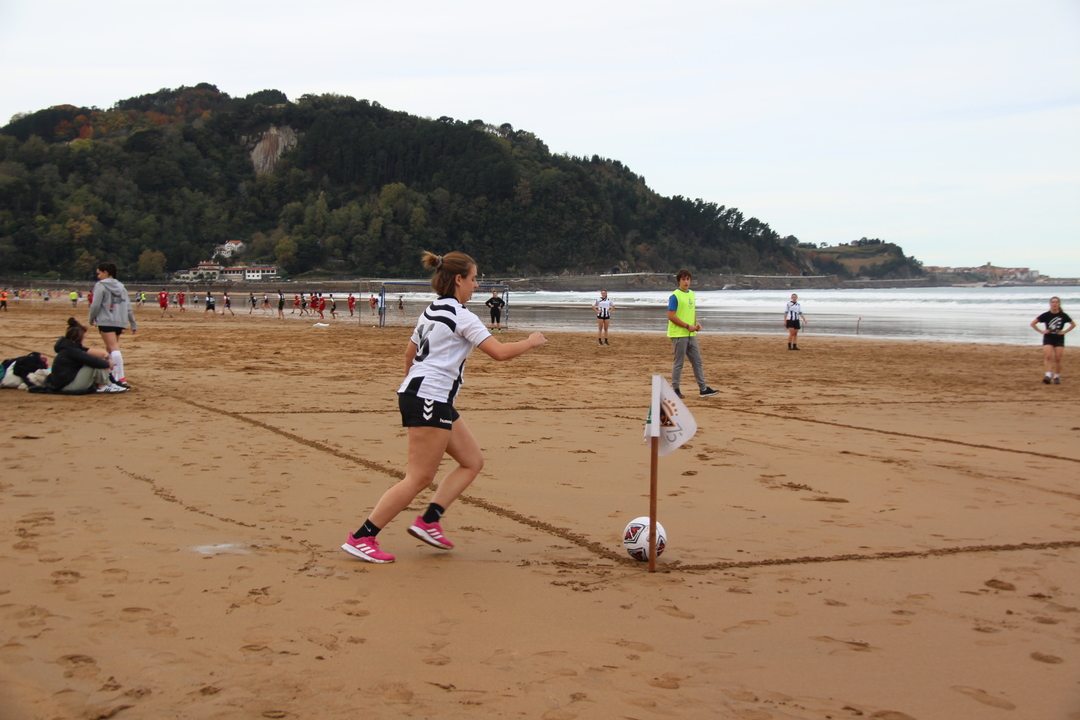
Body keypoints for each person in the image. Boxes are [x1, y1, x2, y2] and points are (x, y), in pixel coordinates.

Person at [342, 251, 548, 564]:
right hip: (429, 397)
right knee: (419, 478)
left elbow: (409, 354)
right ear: (458, 279)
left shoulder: (431, 310)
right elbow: (500, 353)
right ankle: (362, 537)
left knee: (472, 461)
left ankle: (429, 521)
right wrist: (532, 341)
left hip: (427, 396)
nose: (476, 285)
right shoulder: (462, 316)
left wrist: (413, 387)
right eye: (474, 279)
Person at [666, 269, 718, 399]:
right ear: (679, 281)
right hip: (679, 334)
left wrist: (696, 323)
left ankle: (703, 388)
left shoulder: (692, 294)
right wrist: (687, 326)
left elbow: (691, 311)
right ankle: (675, 389)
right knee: (679, 363)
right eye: (683, 279)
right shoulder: (675, 296)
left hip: (691, 334)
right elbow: (671, 316)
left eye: (688, 279)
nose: (686, 282)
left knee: (697, 361)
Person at [87, 262, 136, 388]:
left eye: (99, 273)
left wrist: (91, 318)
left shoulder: (101, 285)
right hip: (120, 321)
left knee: (113, 348)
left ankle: (120, 377)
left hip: (106, 320)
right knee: (111, 348)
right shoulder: (121, 286)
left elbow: (96, 304)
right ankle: (111, 375)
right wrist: (133, 323)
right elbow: (128, 307)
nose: (98, 276)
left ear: (105, 272)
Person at [46, 318, 127, 393]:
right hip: (66, 386)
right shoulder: (72, 350)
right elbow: (92, 360)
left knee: (96, 362)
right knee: (94, 364)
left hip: (63, 383)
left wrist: (106, 359)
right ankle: (103, 385)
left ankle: (105, 384)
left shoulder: (69, 347)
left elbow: (98, 354)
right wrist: (108, 363)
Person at [1030, 296, 1074, 385]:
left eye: (1056, 302)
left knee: (1058, 358)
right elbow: (1033, 323)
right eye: (1053, 302)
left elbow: (1073, 324)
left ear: (1059, 304)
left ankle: (1057, 377)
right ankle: (1048, 376)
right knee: (1048, 356)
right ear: (1050, 304)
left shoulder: (1063, 315)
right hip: (1048, 338)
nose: (1054, 304)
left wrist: (1064, 331)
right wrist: (1042, 331)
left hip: (1059, 338)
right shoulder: (1046, 315)